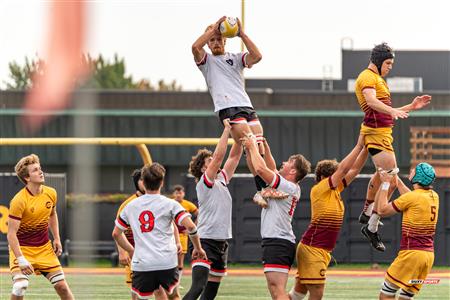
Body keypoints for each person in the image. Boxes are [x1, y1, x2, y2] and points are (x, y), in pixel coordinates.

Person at [354, 42, 432, 251]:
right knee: (392, 177)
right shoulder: (368, 77)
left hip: (380, 134)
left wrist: (411, 107)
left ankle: (368, 211)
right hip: (377, 135)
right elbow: (371, 102)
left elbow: (388, 109)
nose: (390, 67)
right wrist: (392, 111)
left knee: (382, 176)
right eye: (388, 63)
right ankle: (371, 225)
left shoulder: (377, 79)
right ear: (378, 61)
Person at [192, 16, 274, 206]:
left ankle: (268, 186)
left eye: (218, 38)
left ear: (225, 40)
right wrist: (213, 30)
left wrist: (242, 34)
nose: (215, 42)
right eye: (211, 40)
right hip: (227, 108)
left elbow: (257, 56)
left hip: (246, 105)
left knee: (259, 145)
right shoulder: (207, 61)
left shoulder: (235, 58)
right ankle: (261, 189)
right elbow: (195, 47)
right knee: (251, 145)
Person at [288, 135, 368, 300]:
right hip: (313, 249)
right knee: (317, 295)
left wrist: (368, 147)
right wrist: (359, 145)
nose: (340, 178)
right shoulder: (320, 188)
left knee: (297, 295)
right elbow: (344, 170)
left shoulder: (334, 190)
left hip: (318, 249)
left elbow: (355, 169)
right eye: (335, 175)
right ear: (324, 178)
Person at [112, 163, 206, 300]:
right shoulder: (170, 204)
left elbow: (116, 233)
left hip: (142, 263)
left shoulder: (130, 206)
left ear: (143, 182)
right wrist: (198, 248)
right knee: (173, 296)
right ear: (162, 182)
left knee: (138, 298)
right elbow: (191, 227)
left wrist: (131, 250)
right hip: (166, 261)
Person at [241, 134, 311, 300]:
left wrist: (252, 146)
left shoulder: (288, 186)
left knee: (277, 291)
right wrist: (262, 148)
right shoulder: (290, 186)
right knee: (277, 291)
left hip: (278, 241)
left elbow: (261, 169)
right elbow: (269, 169)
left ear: (293, 171)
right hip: (278, 241)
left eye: (288, 162)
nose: (284, 163)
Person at [183, 120, 242, 300]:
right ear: (203, 168)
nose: (214, 162)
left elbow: (234, 157)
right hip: (205, 241)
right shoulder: (205, 183)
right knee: (197, 288)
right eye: (208, 162)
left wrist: (240, 137)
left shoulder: (221, 179)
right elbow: (218, 157)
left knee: (210, 294)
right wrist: (226, 130)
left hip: (221, 243)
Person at [7, 154, 74, 299]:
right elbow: (11, 234)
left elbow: (52, 215)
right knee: (20, 287)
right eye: (35, 170)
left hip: (44, 249)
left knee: (62, 287)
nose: (40, 172)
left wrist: (57, 238)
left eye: (40, 168)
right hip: (22, 250)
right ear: (27, 178)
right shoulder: (19, 201)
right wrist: (20, 258)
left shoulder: (51, 192)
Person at [374, 163, 438, 300]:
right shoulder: (433, 196)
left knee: (386, 294)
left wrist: (385, 184)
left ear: (418, 176)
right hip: (427, 256)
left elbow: (382, 210)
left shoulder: (413, 198)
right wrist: (396, 179)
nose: (411, 170)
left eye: (414, 170)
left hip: (411, 254)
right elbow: (412, 198)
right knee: (405, 297)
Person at [114, 169, 145, 300]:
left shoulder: (158, 200)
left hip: (155, 252)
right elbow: (117, 230)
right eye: (144, 179)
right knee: (137, 291)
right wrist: (122, 251)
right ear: (137, 183)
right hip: (135, 253)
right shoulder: (128, 204)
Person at [170, 185, 198, 299]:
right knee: (171, 260)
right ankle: (171, 282)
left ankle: (177, 282)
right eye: (176, 193)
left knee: (180, 260)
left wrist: (193, 226)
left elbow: (199, 213)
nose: (178, 195)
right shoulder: (170, 203)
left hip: (182, 235)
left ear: (184, 193)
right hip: (170, 236)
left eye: (180, 193)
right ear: (173, 194)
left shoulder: (187, 204)